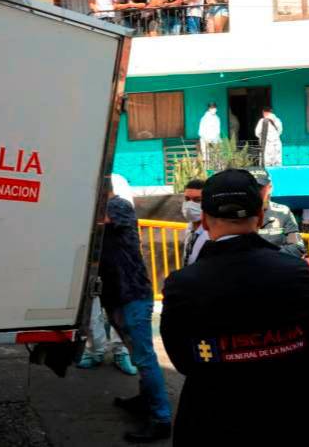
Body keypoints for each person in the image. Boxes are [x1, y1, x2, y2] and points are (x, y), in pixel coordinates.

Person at [160, 169, 309, 446]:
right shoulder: (296, 271)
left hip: (214, 419)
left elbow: (183, 360)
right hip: (298, 416)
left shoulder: (182, 284)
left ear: (205, 222)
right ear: (260, 217)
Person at [101, 196, 172, 443]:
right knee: (137, 354)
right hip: (115, 297)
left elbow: (103, 222)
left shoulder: (117, 205)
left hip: (133, 295)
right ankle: (146, 400)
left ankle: (162, 419)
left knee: (144, 357)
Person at [77, 175, 138, 375]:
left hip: (117, 266)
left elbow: (112, 222)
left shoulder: (119, 198)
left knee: (119, 311)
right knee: (91, 309)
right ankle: (95, 351)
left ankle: (121, 352)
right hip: (91, 264)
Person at [247, 167, 305, 257]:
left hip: (277, 267)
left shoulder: (283, 212)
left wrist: (268, 255)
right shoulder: (233, 215)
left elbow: (298, 247)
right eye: (250, 187)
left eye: (259, 187)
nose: (255, 192)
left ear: (269, 188)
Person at [181, 179, 209, 265]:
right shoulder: (189, 228)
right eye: (187, 199)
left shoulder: (213, 233)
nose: (190, 205)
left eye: (197, 200)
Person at [198, 102, 221, 166]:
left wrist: (217, 139)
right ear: (209, 109)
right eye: (212, 108)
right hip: (205, 140)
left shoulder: (217, 118)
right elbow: (201, 132)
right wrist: (206, 139)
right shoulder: (204, 118)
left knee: (216, 157)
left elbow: (217, 131)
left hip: (215, 140)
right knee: (206, 158)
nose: (214, 109)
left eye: (214, 108)